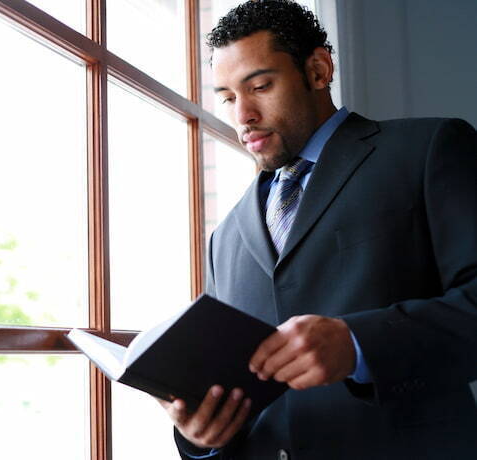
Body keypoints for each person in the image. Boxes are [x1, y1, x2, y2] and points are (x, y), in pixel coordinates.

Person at [158, 1, 477, 459]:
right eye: (227, 98)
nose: (243, 114)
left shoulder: (429, 149)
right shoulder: (224, 237)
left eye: (261, 86)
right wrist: (199, 437)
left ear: (318, 70)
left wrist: (357, 343)